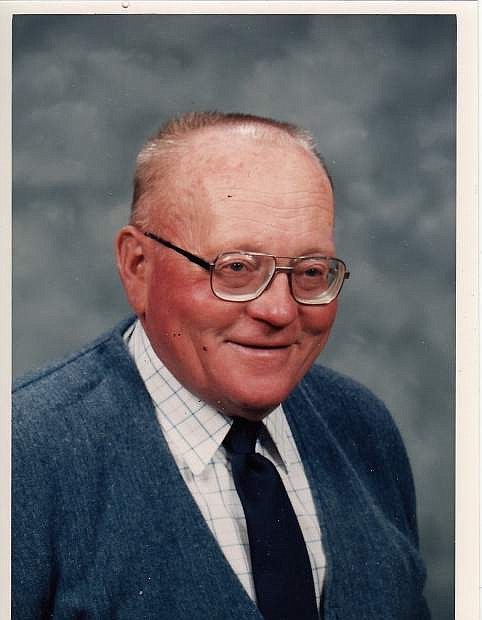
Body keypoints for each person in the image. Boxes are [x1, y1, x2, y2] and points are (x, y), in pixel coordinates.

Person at [12, 111, 430, 619]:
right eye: (235, 269)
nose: (279, 310)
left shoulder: (364, 427)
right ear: (137, 267)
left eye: (311, 271)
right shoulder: (21, 456)